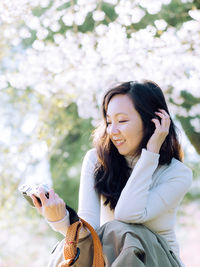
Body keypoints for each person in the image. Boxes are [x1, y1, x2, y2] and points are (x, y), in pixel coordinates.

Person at [31, 80, 192, 266]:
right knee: (73, 247)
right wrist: (58, 218)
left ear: (153, 122)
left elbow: (127, 214)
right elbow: (89, 231)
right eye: (108, 121)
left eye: (122, 121)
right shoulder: (96, 161)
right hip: (110, 259)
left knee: (121, 231)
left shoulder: (177, 173)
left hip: (159, 260)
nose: (112, 131)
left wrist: (150, 155)